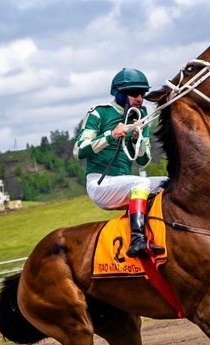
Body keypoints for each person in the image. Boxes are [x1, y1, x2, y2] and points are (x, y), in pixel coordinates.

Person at [73, 67, 169, 258]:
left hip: (125, 183)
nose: (140, 99)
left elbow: (143, 161)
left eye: (142, 93)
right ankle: (137, 240)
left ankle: (163, 233)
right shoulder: (99, 113)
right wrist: (110, 135)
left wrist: (137, 138)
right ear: (119, 94)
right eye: (134, 94)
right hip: (99, 183)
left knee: (169, 182)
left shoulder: (141, 117)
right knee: (140, 182)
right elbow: (78, 151)